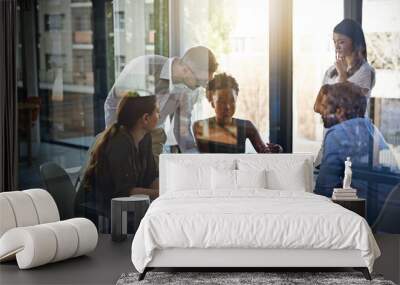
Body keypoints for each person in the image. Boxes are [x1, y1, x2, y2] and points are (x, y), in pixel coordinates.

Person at [104, 46, 218, 162]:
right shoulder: (145, 67)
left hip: (154, 135)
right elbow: (113, 103)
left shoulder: (190, 90)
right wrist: (115, 139)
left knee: (156, 175)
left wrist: (197, 160)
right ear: (185, 70)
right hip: (125, 130)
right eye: (200, 82)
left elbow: (182, 130)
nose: (202, 86)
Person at [314, 82, 399, 224]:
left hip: (366, 216)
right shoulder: (371, 129)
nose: (322, 113)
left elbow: (324, 190)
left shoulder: (337, 134)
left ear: (340, 111)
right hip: (388, 214)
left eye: (326, 107)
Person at [82, 93, 160, 219]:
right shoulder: (119, 143)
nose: (159, 116)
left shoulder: (145, 138)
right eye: (157, 111)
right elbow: (125, 192)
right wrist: (161, 194)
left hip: (127, 207)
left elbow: (151, 177)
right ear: (145, 118)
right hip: (103, 212)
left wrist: (168, 193)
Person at [315, 18, 376, 167]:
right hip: (330, 135)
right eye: (334, 41)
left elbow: (351, 103)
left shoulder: (365, 71)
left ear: (355, 42)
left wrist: (343, 75)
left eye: (341, 41)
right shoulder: (330, 71)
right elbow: (322, 103)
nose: (337, 46)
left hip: (350, 140)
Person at [193, 73, 282, 153]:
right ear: (212, 103)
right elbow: (205, 161)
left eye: (231, 100)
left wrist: (276, 152)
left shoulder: (246, 127)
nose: (227, 106)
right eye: (221, 101)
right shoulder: (200, 127)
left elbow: (264, 155)